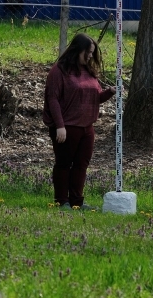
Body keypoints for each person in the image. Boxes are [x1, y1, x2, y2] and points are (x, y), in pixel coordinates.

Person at [43, 33, 115, 210]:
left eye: (92, 52)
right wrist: (60, 126)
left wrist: (110, 92)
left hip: (87, 128)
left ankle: (77, 201)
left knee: (81, 165)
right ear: (78, 50)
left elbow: (94, 98)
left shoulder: (88, 72)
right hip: (67, 127)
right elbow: (53, 99)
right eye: (88, 52)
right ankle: (61, 200)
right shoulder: (59, 71)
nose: (91, 55)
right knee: (64, 163)